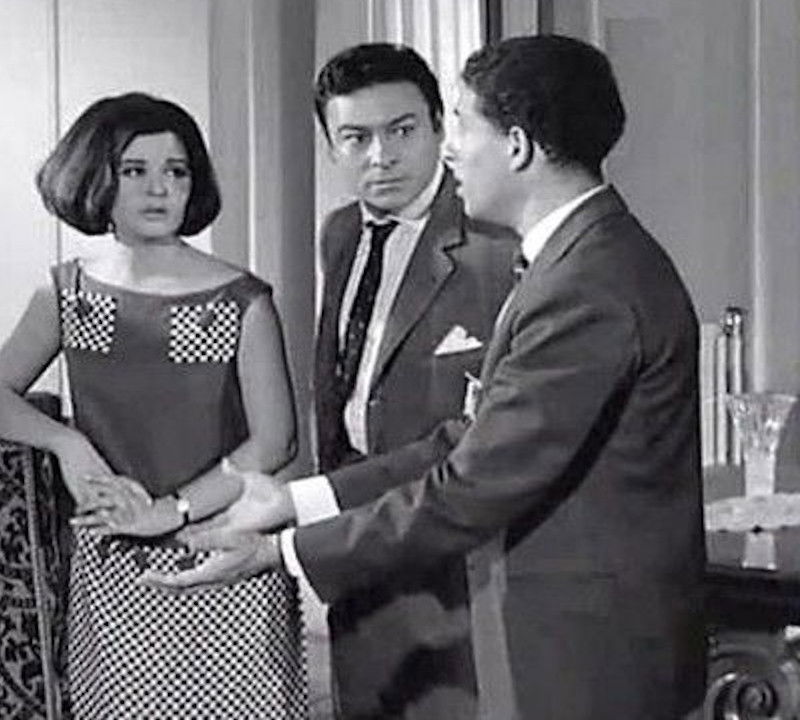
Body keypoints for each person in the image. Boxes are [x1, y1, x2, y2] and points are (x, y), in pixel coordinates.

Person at [149, 34, 707, 720]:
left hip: (583, 654)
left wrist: (281, 551)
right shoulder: (580, 257)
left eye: (462, 126)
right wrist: (297, 501)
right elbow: (472, 438)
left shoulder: (587, 283)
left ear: (517, 146)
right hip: (557, 639)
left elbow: (474, 481)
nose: (451, 152)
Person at [0, 92, 306, 718]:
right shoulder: (67, 292)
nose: (159, 189)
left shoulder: (241, 299)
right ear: (95, 177)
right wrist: (69, 444)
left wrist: (170, 510)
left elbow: (275, 442)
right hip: (113, 558)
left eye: (176, 171)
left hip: (223, 549)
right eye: (135, 171)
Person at [309, 43, 515, 718]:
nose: (381, 157)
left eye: (401, 131)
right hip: (356, 547)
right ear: (332, 147)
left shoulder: (495, 243)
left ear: (438, 127)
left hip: (457, 565)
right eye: (355, 138)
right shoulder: (341, 234)